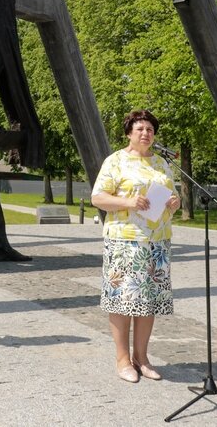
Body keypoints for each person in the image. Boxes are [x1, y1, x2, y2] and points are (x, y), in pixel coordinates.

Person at [91, 110, 181, 383]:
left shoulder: (161, 164)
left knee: (148, 301)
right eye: (140, 129)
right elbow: (97, 197)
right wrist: (128, 202)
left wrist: (175, 202)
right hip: (124, 241)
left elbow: (171, 195)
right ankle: (122, 360)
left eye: (150, 129)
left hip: (157, 241)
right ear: (129, 133)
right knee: (123, 300)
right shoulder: (115, 161)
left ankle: (142, 358)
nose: (145, 133)